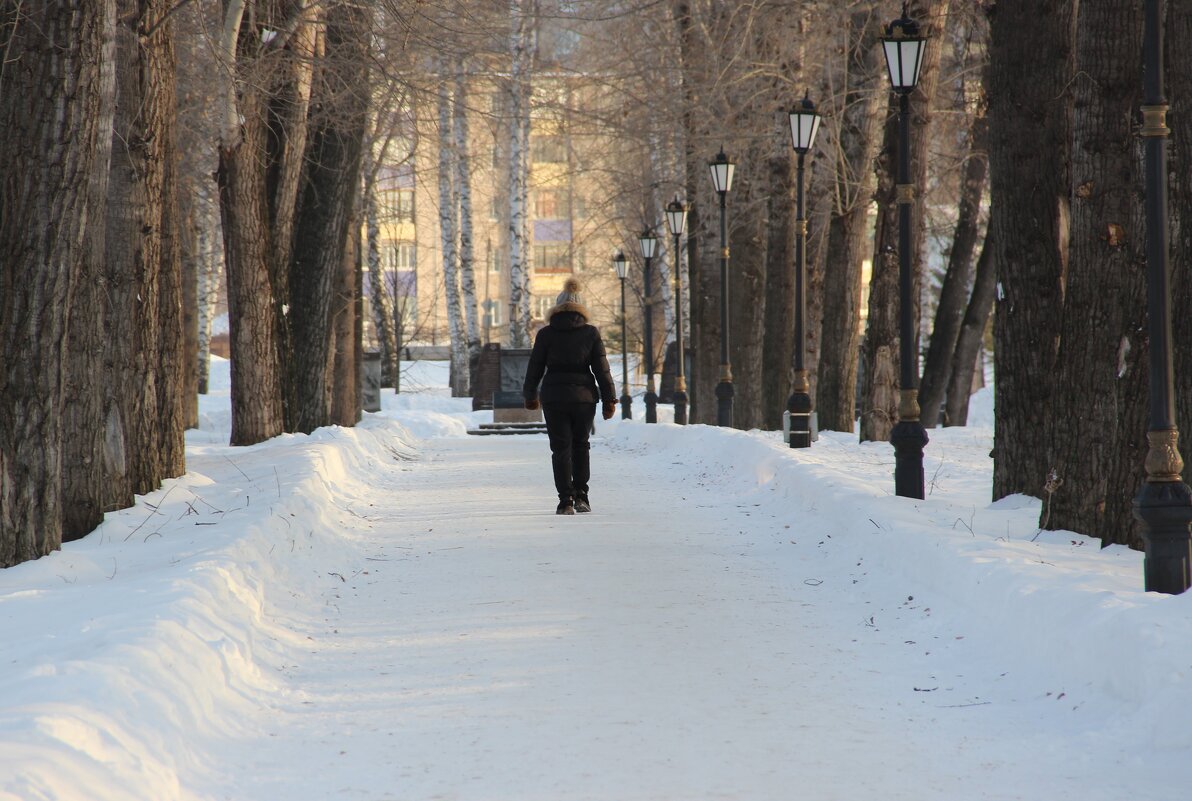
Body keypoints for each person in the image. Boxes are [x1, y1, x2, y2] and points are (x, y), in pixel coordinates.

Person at [523, 278, 617, 515]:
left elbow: (534, 367)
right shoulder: (591, 333)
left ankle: (565, 500)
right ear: (581, 309)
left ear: (555, 309)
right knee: (581, 445)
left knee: (560, 448)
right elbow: (602, 370)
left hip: (554, 396)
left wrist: (530, 395)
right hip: (584, 398)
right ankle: (582, 496)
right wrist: (609, 400)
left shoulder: (545, 334)